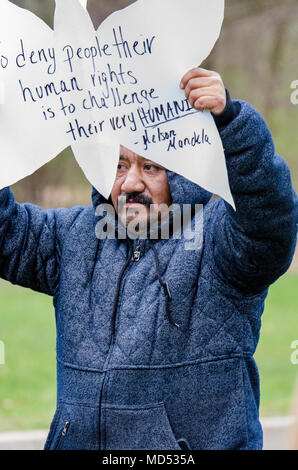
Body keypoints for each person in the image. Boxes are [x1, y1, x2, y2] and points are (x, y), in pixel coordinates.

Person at [0, 67, 297, 450]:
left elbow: (269, 216)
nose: (130, 183)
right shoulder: (73, 236)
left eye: (151, 167)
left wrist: (231, 122)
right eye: (120, 165)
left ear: (185, 171)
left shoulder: (221, 241)